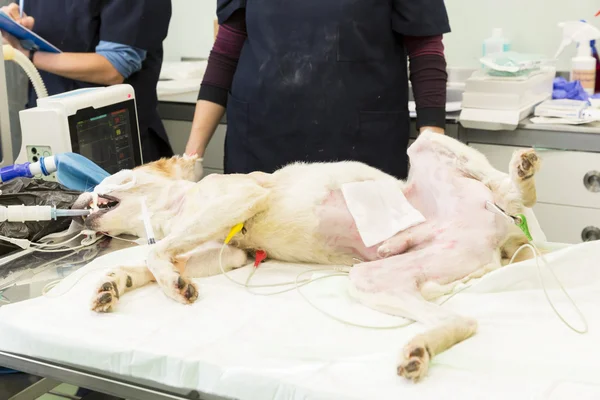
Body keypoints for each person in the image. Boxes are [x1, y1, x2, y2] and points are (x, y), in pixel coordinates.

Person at [186, 0, 450, 179]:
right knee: (249, 254)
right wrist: (190, 159)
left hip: (358, 157)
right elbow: (228, 47)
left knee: (365, 256)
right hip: (259, 149)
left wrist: (433, 155)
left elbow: (425, 48)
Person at [0, 1, 174, 163]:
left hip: (109, 137)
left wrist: (29, 56)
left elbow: (113, 67)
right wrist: (14, 23)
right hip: (47, 129)